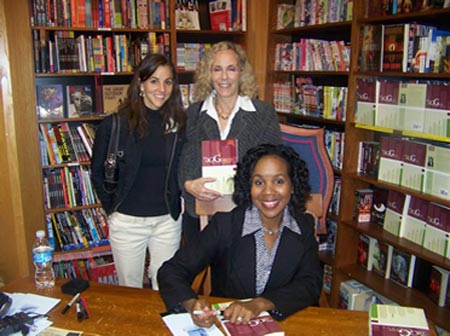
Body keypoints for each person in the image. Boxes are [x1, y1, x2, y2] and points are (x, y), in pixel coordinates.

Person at [158, 144, 323, 327]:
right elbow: (171, 271)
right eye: (259, 182)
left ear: (292, 186)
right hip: (229, 324)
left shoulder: (304, 226)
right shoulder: (225, 225)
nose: (268, 192)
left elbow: (310, 283)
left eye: (279, 181)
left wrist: (260, 304)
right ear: (249, 187)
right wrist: (191, 305)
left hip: (285, 322)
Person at [91, 53, 185, 290]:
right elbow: (97, 173)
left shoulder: (180, 124)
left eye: (168, 81)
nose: (161, 89)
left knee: (165, 286)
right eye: (154, 81)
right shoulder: (116, 124)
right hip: (127, 222)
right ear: (141, 85)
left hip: (167, 221)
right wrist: (112, 208)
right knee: (130, 288)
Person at [179, 41, 282, 245]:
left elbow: (274, 165)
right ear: (208, 74)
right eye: (217, 69)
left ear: (241, 72)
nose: (224, 77)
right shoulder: (193, 114)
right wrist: (189, 185)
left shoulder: (263, 114)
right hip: (202, 213)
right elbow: (183, 163)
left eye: (231, 69)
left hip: (248, 214)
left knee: (239, 275)